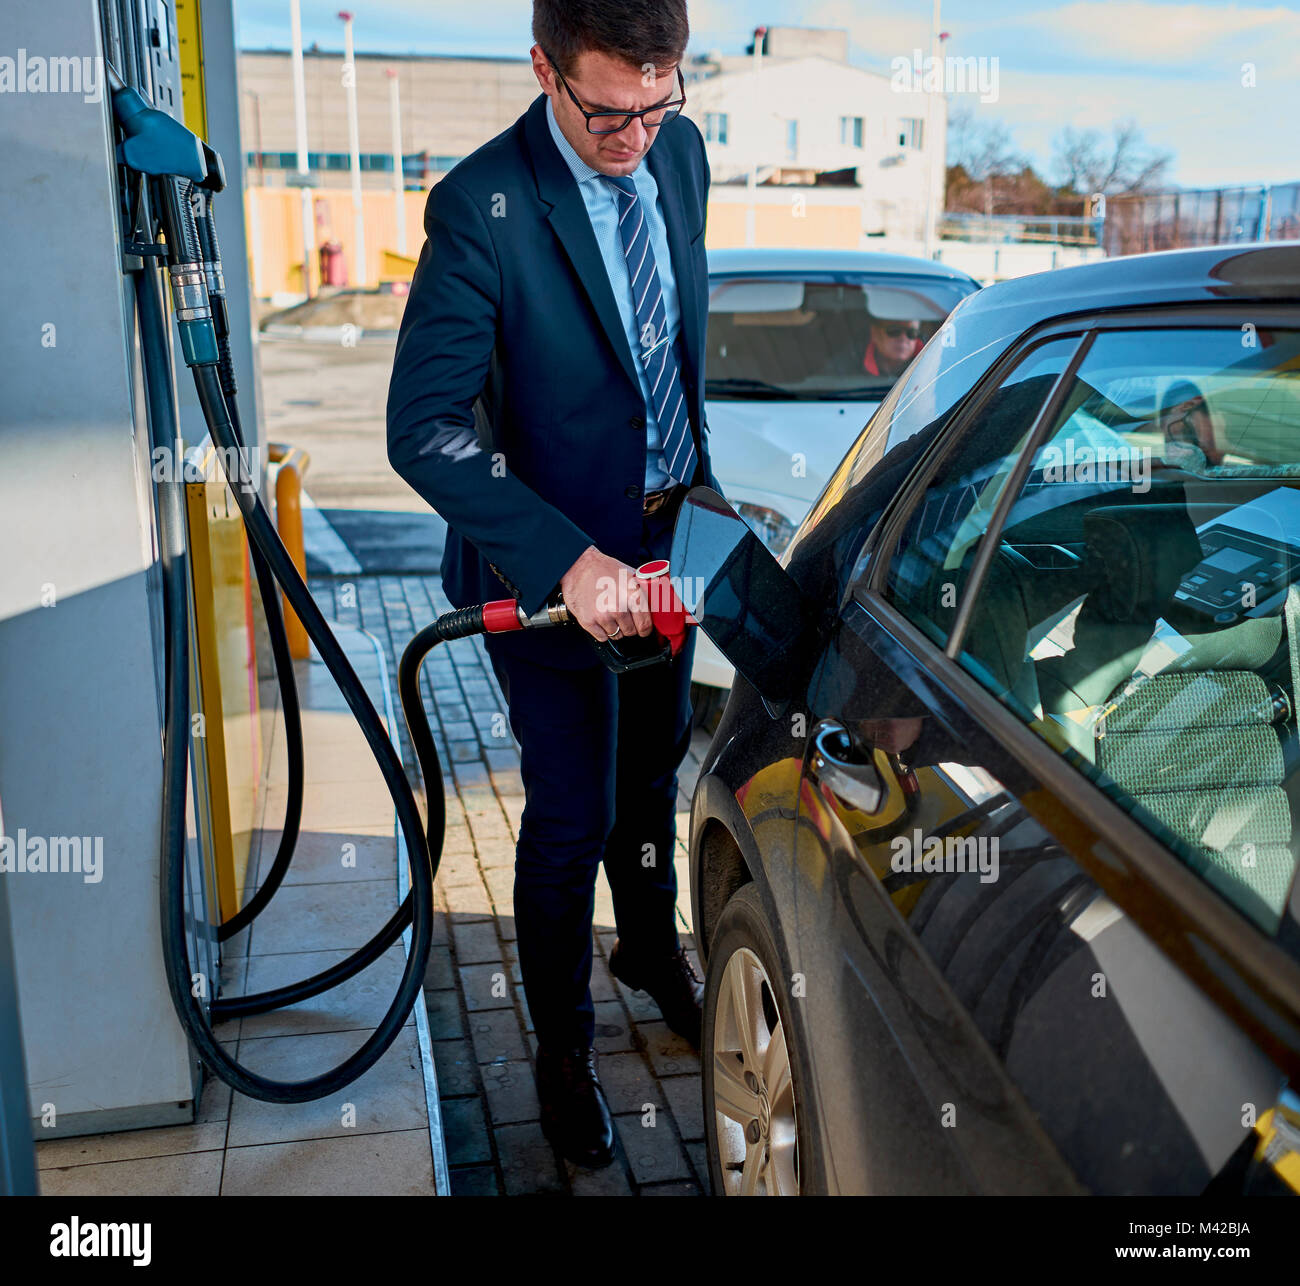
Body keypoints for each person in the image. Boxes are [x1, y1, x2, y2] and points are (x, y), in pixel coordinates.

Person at [386, 0, 716, 1169]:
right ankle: (562, 1052)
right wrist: (568, 561)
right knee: (568, 814)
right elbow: (422, 428)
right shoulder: (478, 207)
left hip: (667, 554)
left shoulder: (680, 148)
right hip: (549, 576)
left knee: (649, 777)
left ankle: (649, 950)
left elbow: (668, 353)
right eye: (606, 109)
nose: (636, 131)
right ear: (541, 67)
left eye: (658, 97)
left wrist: (698, 501)